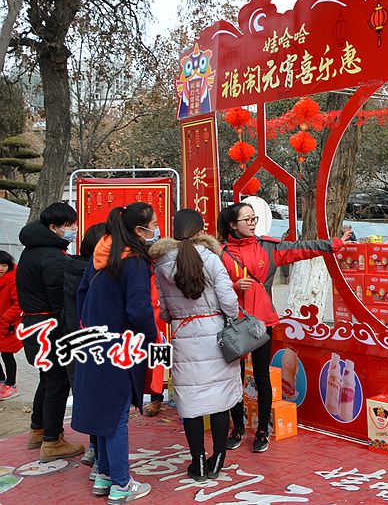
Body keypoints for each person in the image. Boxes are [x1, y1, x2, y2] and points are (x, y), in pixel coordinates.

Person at [217, 201, 341, 453]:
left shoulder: (268, 247)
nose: (252, 223)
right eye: (247, 220)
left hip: (262, 323)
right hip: (232, 325)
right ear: (232, 225)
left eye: (254, 219)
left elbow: (301, 249)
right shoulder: (219, 253)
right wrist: (233, 286)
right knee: (233, 378)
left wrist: (333, 245)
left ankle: (262, 430)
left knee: (262, 376)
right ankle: (237, 428)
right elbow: (209, 287)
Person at [73, 202, 158, 503]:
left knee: (104, 411)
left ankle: (105, 475)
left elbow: (81, 295)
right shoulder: (133, 262)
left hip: (92, 342)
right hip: (119, 346)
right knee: (118, 416)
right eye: (153, 225)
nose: (156, 230)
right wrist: (152, 337)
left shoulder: (102, 253)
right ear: (139, 230)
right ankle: (122, 484)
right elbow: (139, 310)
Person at [151, 209, 241, 482]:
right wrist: (225, 317)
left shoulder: (161, 263)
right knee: (220, 401)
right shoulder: (211, 258)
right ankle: (218, 460)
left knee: (191, 403)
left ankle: (198, 463)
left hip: (184, 336)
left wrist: (181, 317)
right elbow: (230, 303)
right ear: (201, 230)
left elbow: (164, 311)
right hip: (216, 337)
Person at [17, 201, 84, 460]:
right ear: (53, 227)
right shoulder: (52, 258)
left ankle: (38, 430)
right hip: (50, 328)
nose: (73, 229)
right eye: (68, 225)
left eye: (74, 223)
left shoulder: (32, 251)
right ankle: (52, 441)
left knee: (47, 379)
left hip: (34, 326)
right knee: (58, 381)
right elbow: (60, 302)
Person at [62, 222, 107, 470]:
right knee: (105, 404)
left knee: (88, 397)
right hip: (97, 346)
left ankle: (93, 449)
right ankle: (102, 462)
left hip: (74, 341)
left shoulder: (71, 269)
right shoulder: (99, 274)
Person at [0, 251, 22, 400]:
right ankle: (2, 380)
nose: (1, 268)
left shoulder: (12, 281)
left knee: (7, 355)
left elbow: (18, 304)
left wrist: (5, 319)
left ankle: (11, 384)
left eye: (4, 265)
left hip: (7, 325)